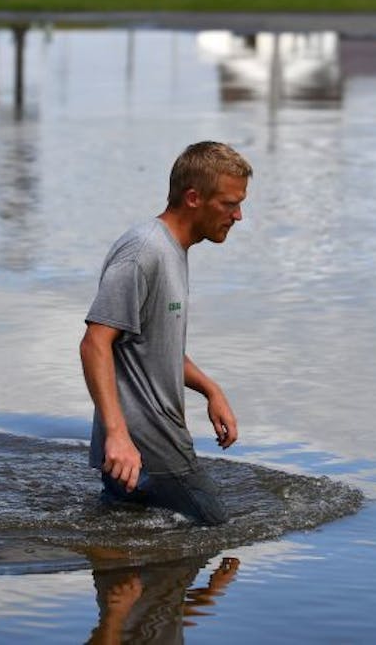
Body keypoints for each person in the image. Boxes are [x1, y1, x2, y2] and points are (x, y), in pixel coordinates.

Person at [79, 141, 253, 525]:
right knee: (219, 531)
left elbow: (156, 347)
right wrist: (118, 436)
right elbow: (95, 343)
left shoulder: (172, 251)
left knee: (132, 563)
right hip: (150, 450)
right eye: (229, 204)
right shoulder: (144, 252)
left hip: (133, 455)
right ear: (194, 198)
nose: (238, 215)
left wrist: (211, 389)